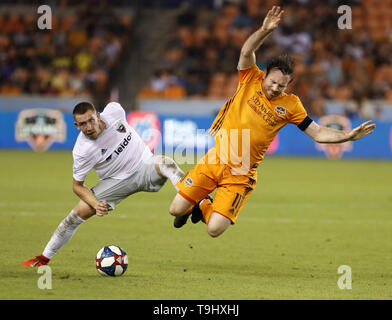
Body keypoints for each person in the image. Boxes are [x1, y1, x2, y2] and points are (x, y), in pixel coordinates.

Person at [168, 6, 375, 237]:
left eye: (282, 85)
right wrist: (265, 30)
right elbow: (247, 50)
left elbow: (317, 133)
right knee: (175, 209)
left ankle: (204, 206)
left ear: (288, 85)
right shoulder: (249, 78)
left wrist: (347, 136)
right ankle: (203, 202)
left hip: (242, 172)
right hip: (216, 159)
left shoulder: (291, 105)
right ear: (264, 74)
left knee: (214, 230)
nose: (275, 88)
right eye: (273, 82)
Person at [22, 101, 184, 267]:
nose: (89, 127)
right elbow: (77, 186)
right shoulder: (82, 150)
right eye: (83, 124)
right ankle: (43, 258)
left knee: (167, 163)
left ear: (98, 116)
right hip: (115, 182)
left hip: (145, 166)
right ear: (76, 126)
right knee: (73, 218)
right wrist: (95, 203)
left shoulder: (115, 111)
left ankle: (193, 201)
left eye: (91, 120)